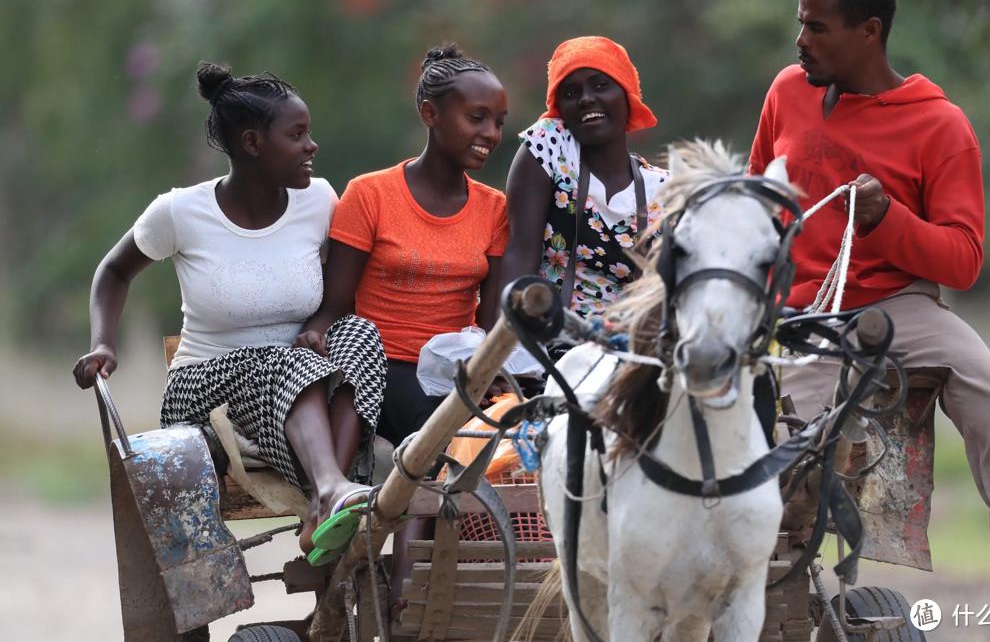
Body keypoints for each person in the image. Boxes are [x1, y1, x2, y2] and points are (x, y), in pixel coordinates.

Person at [750, 0, 990, 639]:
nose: (800, 40)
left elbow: (962, 261)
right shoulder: (786, 90)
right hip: (806, 311)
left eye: (817, 28)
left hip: (901, 306)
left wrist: (887, 221)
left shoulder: (939, 124)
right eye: (799, 24)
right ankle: (799, 608)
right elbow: (757, 196)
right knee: (795, 451)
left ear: (869, 32)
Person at [72, 62, 387, 555]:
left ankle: (327, 503)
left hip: (295, 377)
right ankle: (329, 490)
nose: (312, 146)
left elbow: (344, 291)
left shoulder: (320, 200)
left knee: (360, 334)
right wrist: (103, 342)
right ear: (252, 143)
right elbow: (113, 271)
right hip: (205, 385)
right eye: (297, 134)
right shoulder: (181, 212)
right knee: (292, 360)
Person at [298, 42, 509, 613]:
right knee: (436, 429)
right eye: (476, 118)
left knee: (503, 425)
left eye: (497, 121)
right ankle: (406, 591)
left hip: (453, 368)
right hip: (379, 361)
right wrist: (316, 333)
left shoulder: (493, 209)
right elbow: (338, 301)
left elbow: (488, 326)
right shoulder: (371, 195)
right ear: (430, 114)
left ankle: (456, 578)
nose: (489, 133)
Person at [502, 36, 669, 316]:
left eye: (601, 85)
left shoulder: (665, 189)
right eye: (570, 93)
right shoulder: (551, 146)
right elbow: (520, 254)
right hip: (549, 341)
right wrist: (504, 349)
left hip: (631, 347)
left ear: (627, 95)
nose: (586, 98)